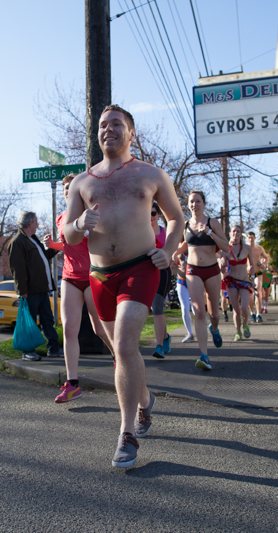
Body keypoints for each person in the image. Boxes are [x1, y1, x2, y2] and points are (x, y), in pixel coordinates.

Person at [64, 104, 184, 469]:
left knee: (126, 343)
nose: (108, 130)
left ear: (132, 133)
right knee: (121, 352)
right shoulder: (83, 182)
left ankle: (126, 432)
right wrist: (80, 222)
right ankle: (145, 401)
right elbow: (67, 234)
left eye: (116, 124)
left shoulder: (151, 174)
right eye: (103, 125)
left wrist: (167, 250)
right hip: (101, 277)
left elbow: (176, 218)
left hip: (140, 268)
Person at [43, 174, 112, 403]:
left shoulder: (90, 213)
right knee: (69, 330)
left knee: (99, 329)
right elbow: (69, 243)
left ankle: (120, 357)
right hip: (69, 277)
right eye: (64, 187)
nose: (66, 190)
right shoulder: (61, 218)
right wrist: (53, 245)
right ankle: (72, 385)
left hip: (92, 275)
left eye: (70, 187)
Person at [172, 191, 229, 371]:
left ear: (204, 203)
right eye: (191, 202)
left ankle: (215, 329)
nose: (194, 204)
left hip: (212, 271)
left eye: (198, 201)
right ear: (188, 204)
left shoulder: (213, 222)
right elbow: (187, 243)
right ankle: (204, 355)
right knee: (199, 312)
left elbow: (226, 246)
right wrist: (176, 252)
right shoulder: (186, 224)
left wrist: (210, 232)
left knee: (214, 314)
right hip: (192, 271)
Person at [7, 211, 63, 361]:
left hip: (41, 289)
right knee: (30, 321)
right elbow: (18, 269)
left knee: (47, 320)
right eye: (36, 222)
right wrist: (22, 291)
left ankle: (54, 348)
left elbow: (44, 258)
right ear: (30, 223)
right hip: (30, 291)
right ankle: (27, 351)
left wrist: (55, 246)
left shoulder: (33, 239)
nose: (38, 225)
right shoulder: (17, 242)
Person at [224, 225, 254, 341]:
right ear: (230, 234)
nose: (236, 233)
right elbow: (222, 268)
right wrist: (222, 264)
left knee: (244, 308)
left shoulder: (247, 248)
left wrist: (252, 278)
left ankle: (245, 324)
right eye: (233, 231)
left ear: (241, 234)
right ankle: (237, 332)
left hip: (245, 281)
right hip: (232, 281)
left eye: (238, 231)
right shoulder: (226, 249)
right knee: (236, 310)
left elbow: (251, 265)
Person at [150, 202, 173, 358]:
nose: (150, 217)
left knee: (157, 307)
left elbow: (171, 254)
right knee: (153, 308)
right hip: (145, 273)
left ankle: (159, 346)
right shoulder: (139, 232)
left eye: (153, 213)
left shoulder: (166, 233)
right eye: (147, 213)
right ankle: (165, 337)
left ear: (158, 215)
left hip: (163, 272)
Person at [246, 231, 269, 323]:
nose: (251, 239)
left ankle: (259, 314)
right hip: (247, 274)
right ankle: (252, 313)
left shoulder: (259, 248)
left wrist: (264, 264)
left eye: (252, 237)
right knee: (249, 295)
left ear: (255, 238)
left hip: (258, 273)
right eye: (249, 237)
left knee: (258, 293)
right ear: (247, 239)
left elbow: (266, 257)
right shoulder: (244, 248)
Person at [174, 251, 194, 343]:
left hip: (194, 281)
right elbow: (172, 265)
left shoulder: (194, 246)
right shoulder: (177, 250)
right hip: (181, 281)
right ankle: (190, 334)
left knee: (196, 309)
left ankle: (202, 329)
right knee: (185, 308)